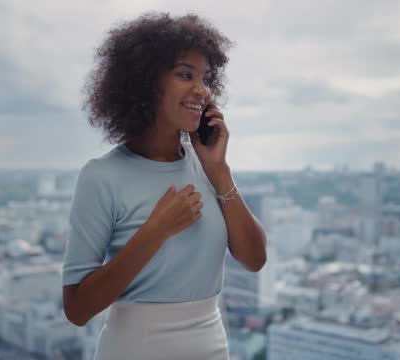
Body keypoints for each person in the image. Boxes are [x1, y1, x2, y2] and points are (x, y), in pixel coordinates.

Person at [61, 11, 267, 360]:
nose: (201, 91)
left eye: (205, 78)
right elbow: (78, 309)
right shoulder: (101, 176)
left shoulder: (207, 166)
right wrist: (155, 231)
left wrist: (219, 170)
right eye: (186, 75)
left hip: (211, 346)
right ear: (145, 83)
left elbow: (255, 259)